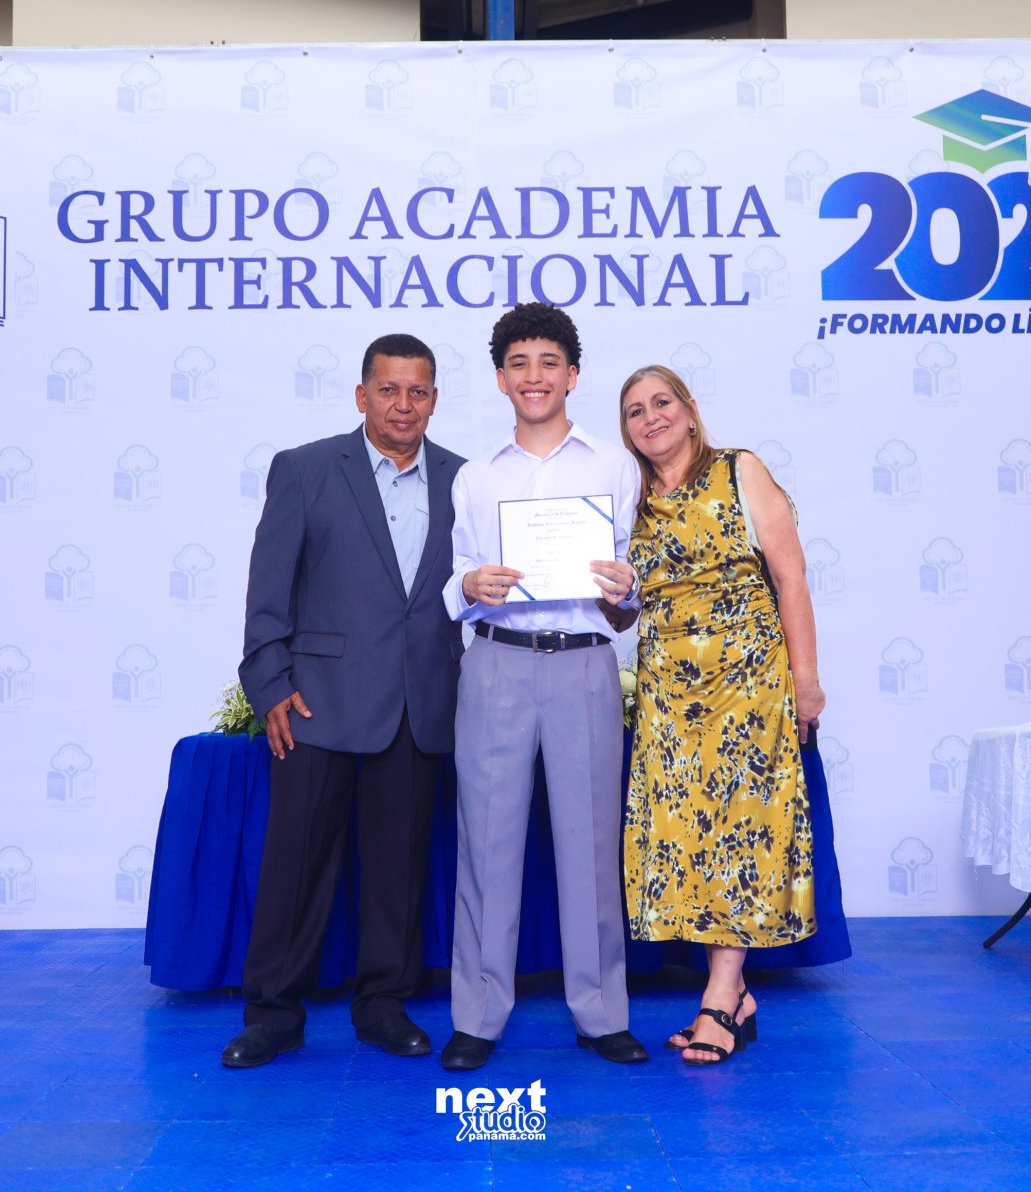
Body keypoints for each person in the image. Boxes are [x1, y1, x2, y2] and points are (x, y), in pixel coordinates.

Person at [223, 334, 464, 1069]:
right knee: (295, 867)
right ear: (362, 395)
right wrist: (270, 685)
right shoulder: (304, 470)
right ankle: (273, 1013)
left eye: (417, 391)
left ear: (434, 399)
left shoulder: (465, 479)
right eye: (388, 390)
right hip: (316, 705)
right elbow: (268, 591)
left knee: (398, 871)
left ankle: (382, 1003)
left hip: (417, 706)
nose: (402, 405)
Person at [439, 302, 647, 1071]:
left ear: (573, 375)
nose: (535, 377)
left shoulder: (614, 467)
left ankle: (601, 1013)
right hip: (496, 662)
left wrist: (626, 589)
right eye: (519, 364)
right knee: (486, 844)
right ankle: (477, 1015)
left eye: (549, 363)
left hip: (584, 663)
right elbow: (455, 582)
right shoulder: (475, 477)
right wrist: (472, 585)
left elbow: (627, 598)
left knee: (591, 844)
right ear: (501, 379)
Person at [618, 363, 831, 1065]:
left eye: (662, 402)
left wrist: (806, 679)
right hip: (669, 697)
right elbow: (622, 609)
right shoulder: (630, 501)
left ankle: (719, 999)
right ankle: (735, 998)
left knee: (740, 836)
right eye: (635, 411)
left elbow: (790, 575)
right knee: (688, 841)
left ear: (689, 409)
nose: (650, 417)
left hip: (747, 688)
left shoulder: (739, 470)